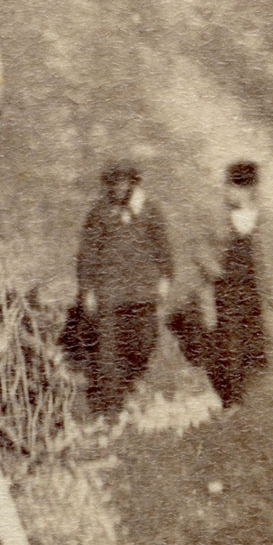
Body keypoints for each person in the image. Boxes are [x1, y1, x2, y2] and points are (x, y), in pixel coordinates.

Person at [75, 163, 174, 420]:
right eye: (114, 183)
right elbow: (87, 254)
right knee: (108, 351)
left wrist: (165, 278)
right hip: (109, 294)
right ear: (108, 186)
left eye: (124, 182)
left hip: (143, 293)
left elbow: (163, 248)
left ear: (133, 184)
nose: (119, 188)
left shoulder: (149, 210)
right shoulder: (99, 213)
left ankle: (129, 381)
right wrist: (87, 290)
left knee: (144, 343)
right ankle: (110, 408)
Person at [173, 162, 268, 409]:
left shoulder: (258, 216)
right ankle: (231, 396)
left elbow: (266, 258)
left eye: (234, 188)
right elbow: (198, 246)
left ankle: (245, 385)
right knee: (228, 339)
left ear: (249, 190)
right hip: (222, 287)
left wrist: (269, 290)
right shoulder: (215, 213)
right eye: (227, 187)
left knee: (249, 339)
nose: (228, 192)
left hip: (250, 288)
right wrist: (212, 268)